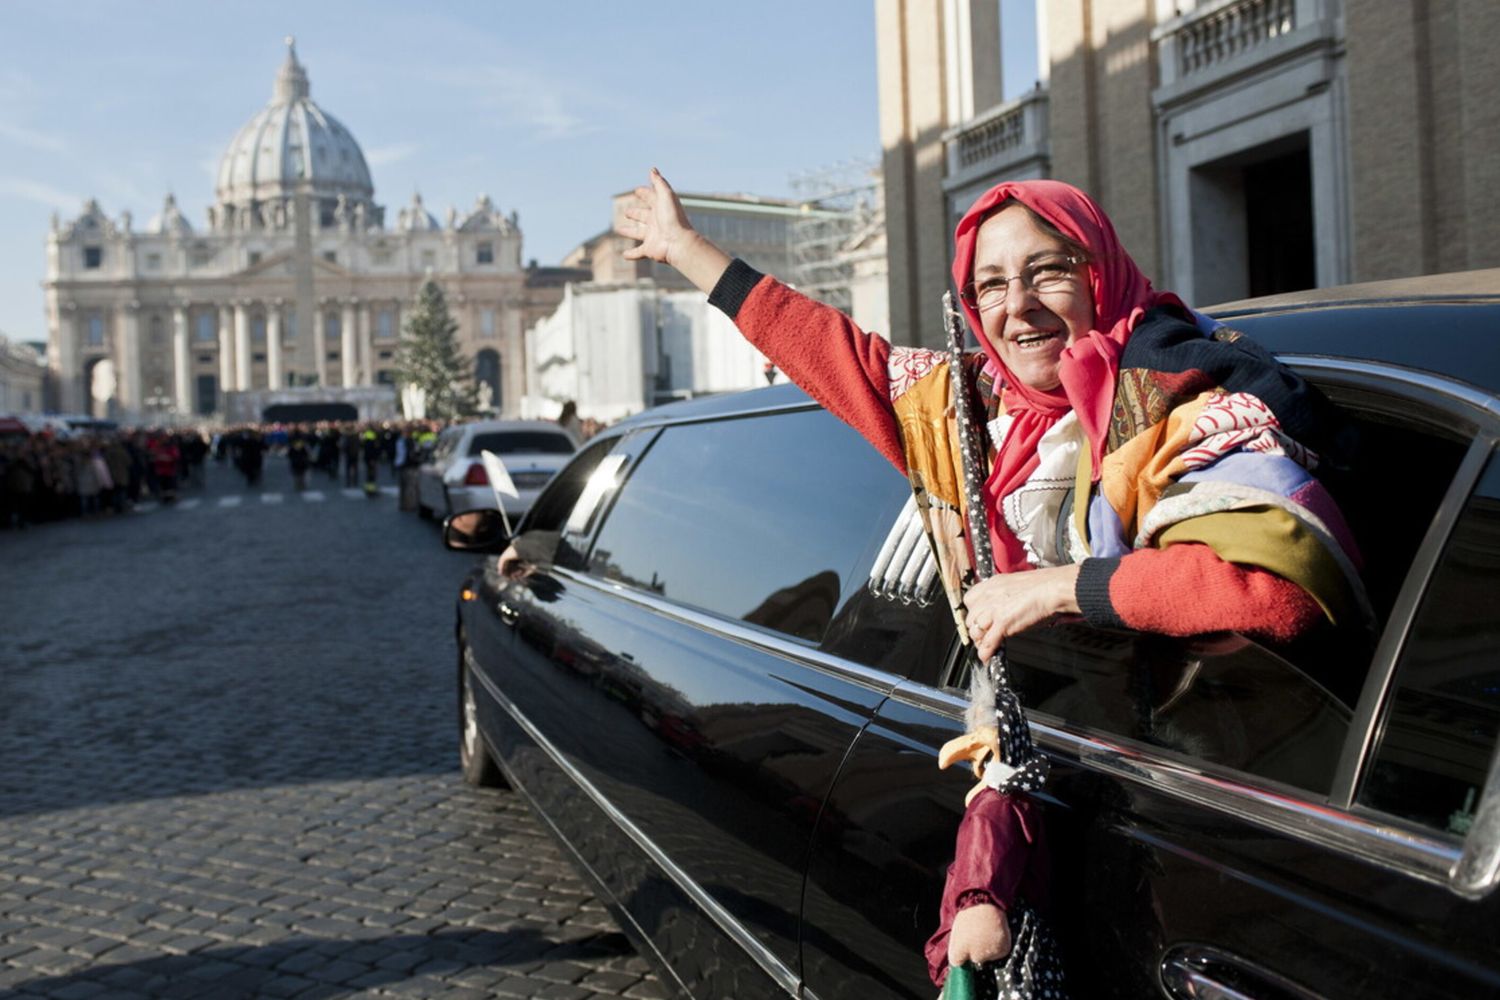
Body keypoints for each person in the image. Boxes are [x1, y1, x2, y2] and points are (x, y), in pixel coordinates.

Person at [618, 169, 1366, 989]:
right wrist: (687, 250)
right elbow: (825, 347)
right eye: (991, 283)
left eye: (1048, 269)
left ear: (1100, 267)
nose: (1020, 305)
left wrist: (1052, 589)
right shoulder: (963, 412)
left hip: (1230, 821)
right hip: (1063, 789)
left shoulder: (1184, 396)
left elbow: (1272, 591)